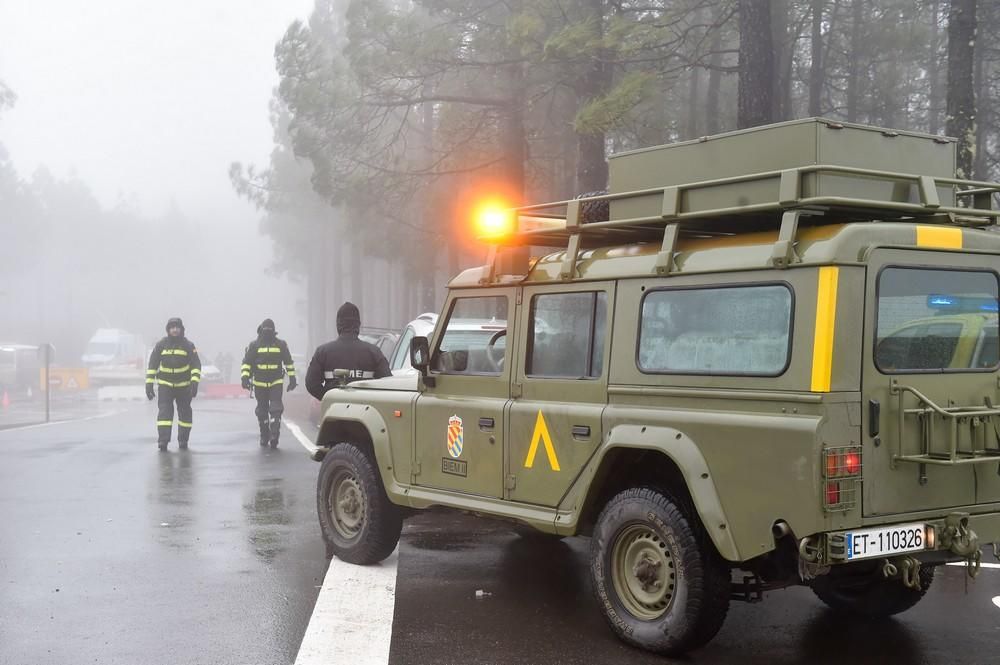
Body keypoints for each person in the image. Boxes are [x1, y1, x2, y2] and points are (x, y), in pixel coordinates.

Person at [306, 302, 390, 400]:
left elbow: (311, 383)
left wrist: (327, 398)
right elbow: (387, 383)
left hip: (333, 409)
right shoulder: (374, 352)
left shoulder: (322, 352)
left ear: (338, 325)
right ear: (358, 325)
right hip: (365, 411)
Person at [146, 317, 201, 451]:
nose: (174, 330)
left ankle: (183, 441)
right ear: (168, 330)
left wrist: (194, 382)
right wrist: (149, 384)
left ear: (181, 329)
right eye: (172, 327)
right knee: (165, 414)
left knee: (185, 414)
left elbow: (196, 365)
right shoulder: (161, 345)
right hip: (166, 386)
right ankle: (163, 441)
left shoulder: (189, 345)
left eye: (177, 327)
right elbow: (153, 364)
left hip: (184, 386)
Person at [241, 318, 297, 448]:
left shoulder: (281, 345)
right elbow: (247, 363)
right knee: (262, 410)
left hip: (275, 382)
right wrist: (245, 378)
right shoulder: (254, 345)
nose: (267, 332)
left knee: (275, 408)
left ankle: (274, 434)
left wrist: (293, 378)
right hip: (260, 383)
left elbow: (288, 362)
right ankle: (265, 434)